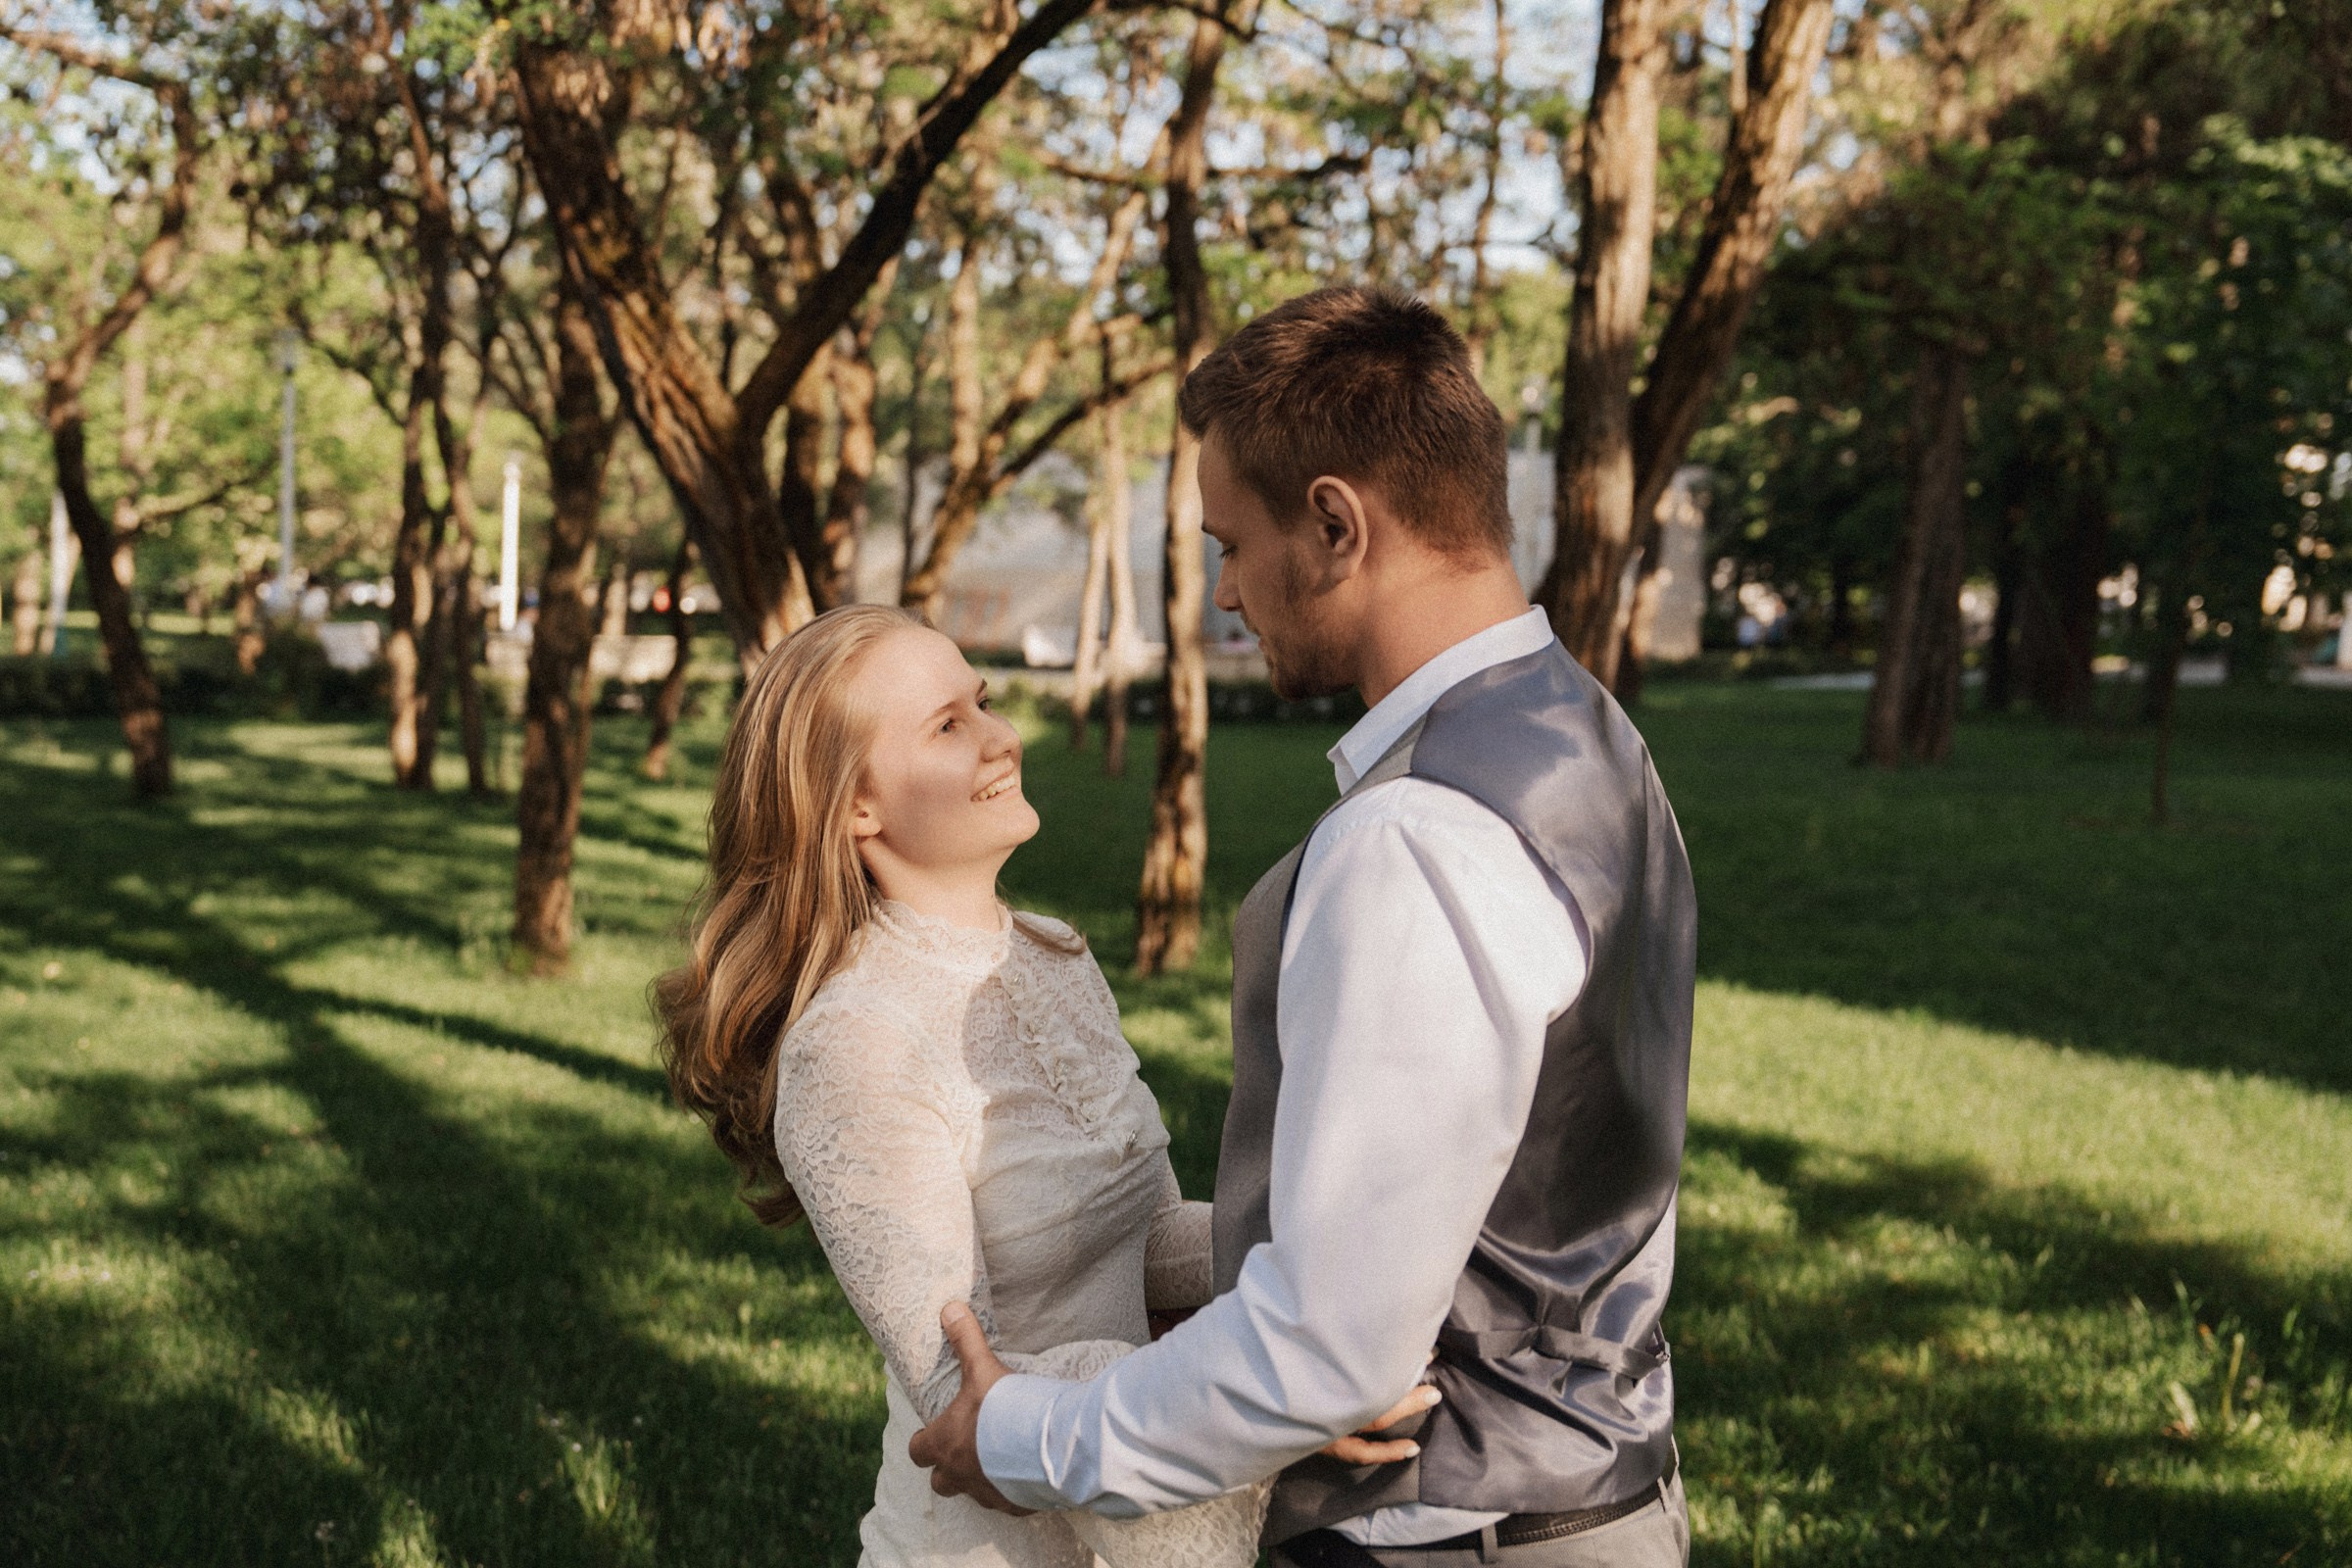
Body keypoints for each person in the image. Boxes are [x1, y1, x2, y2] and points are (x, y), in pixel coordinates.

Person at [910, 286, 1698, 1568]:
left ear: (1336, 523)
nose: (1226, 593)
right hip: (1610, 1498)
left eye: (1231, 544)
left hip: (1454, 1532)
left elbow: (1326, 1349)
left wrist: (1016, 1435)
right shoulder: (1590, 733)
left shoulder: (1414, 838)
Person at [654, 604, 1418, 1568]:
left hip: (1125, 1473)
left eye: (982, 701)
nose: (1002, 736)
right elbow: (964, 1391)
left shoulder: (1054, 957)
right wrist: (1261, 1411)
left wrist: (1323, 1275)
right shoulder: (852, 1044)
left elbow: (1143, 1239)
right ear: (854, 805)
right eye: (949, 724)